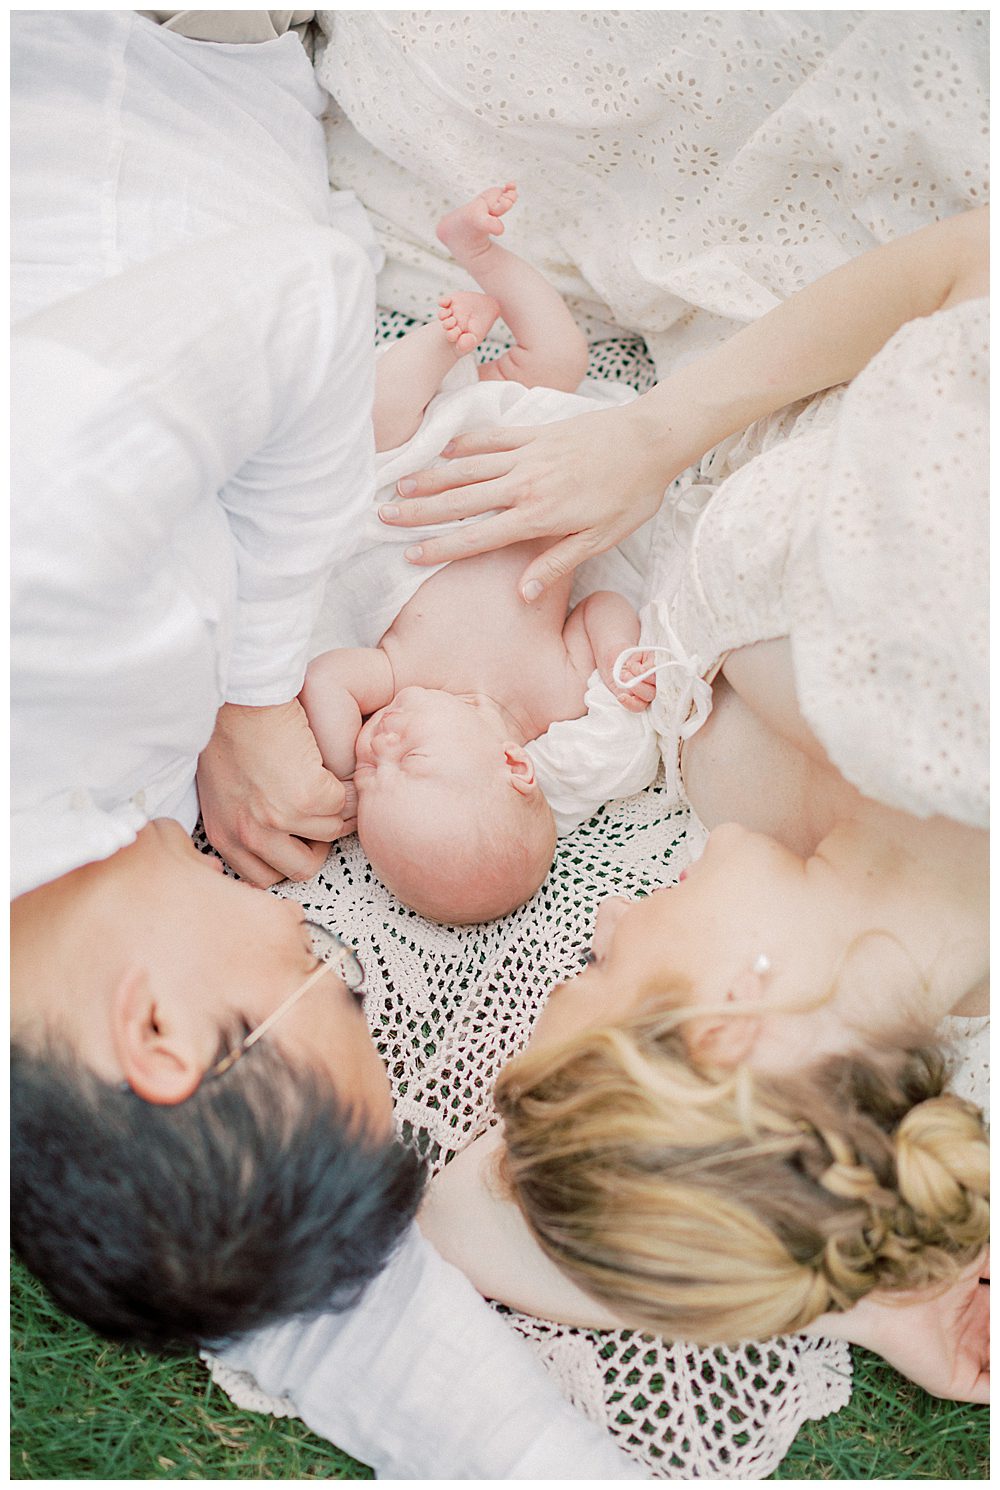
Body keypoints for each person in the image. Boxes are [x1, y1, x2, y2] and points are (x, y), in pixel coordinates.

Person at [7, 12, 656, 1478]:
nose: (319, 934)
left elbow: (304, 296)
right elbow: (319, 1307)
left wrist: (248, 692)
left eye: (320, 982)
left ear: (162, 1035)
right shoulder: (74, 965)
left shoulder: (28, 611)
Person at [411, 209, 988, 1395]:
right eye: (602, 974)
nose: (600, 924)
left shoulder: (778, 856)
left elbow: (451, 1216)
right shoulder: (950, 681)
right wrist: (658, 433)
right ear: (726, 1029)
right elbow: (970, 260)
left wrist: (838, 1283)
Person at [303, 185, 657, 922]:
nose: (380, 753)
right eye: (413, 762)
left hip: (425, 463)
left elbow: (329, 677)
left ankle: (439, 343)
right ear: (513, 766)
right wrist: (622, 658)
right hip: (526, 455)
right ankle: (479, 251)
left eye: (371, 780)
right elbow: (599, 605)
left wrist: (336, 769)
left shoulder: (398, 679)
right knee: (560, 357)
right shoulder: (554, 701)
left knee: (376, 420)